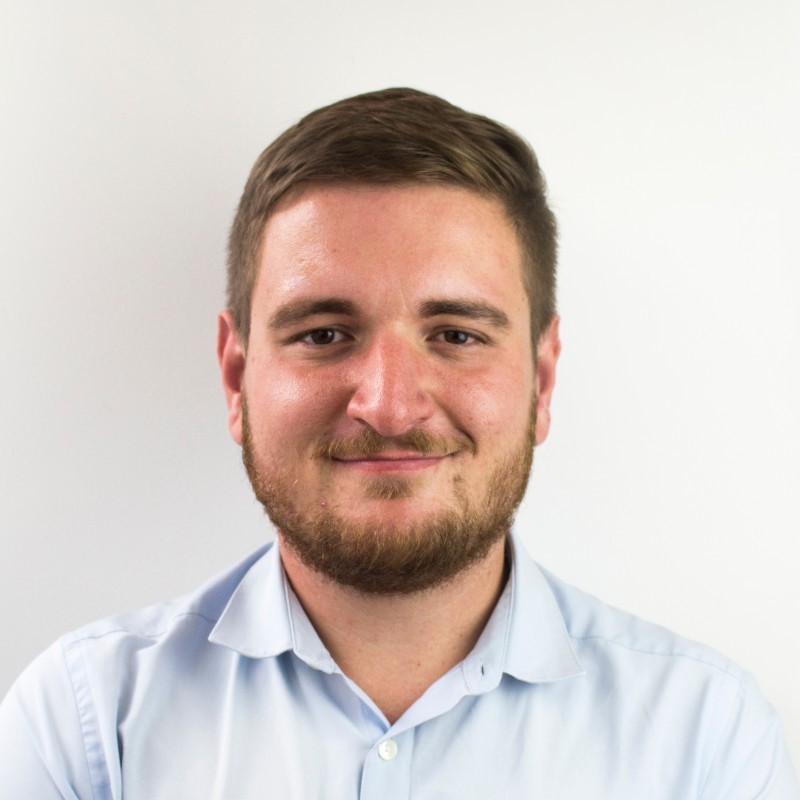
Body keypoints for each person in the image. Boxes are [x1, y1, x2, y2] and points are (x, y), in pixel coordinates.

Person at [0, 88, 796, 799]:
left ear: (543, 380)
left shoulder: (706, 745)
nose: (388, 406)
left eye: (455, 333)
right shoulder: (83, 727)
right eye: (323, 333)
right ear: (237, 376)